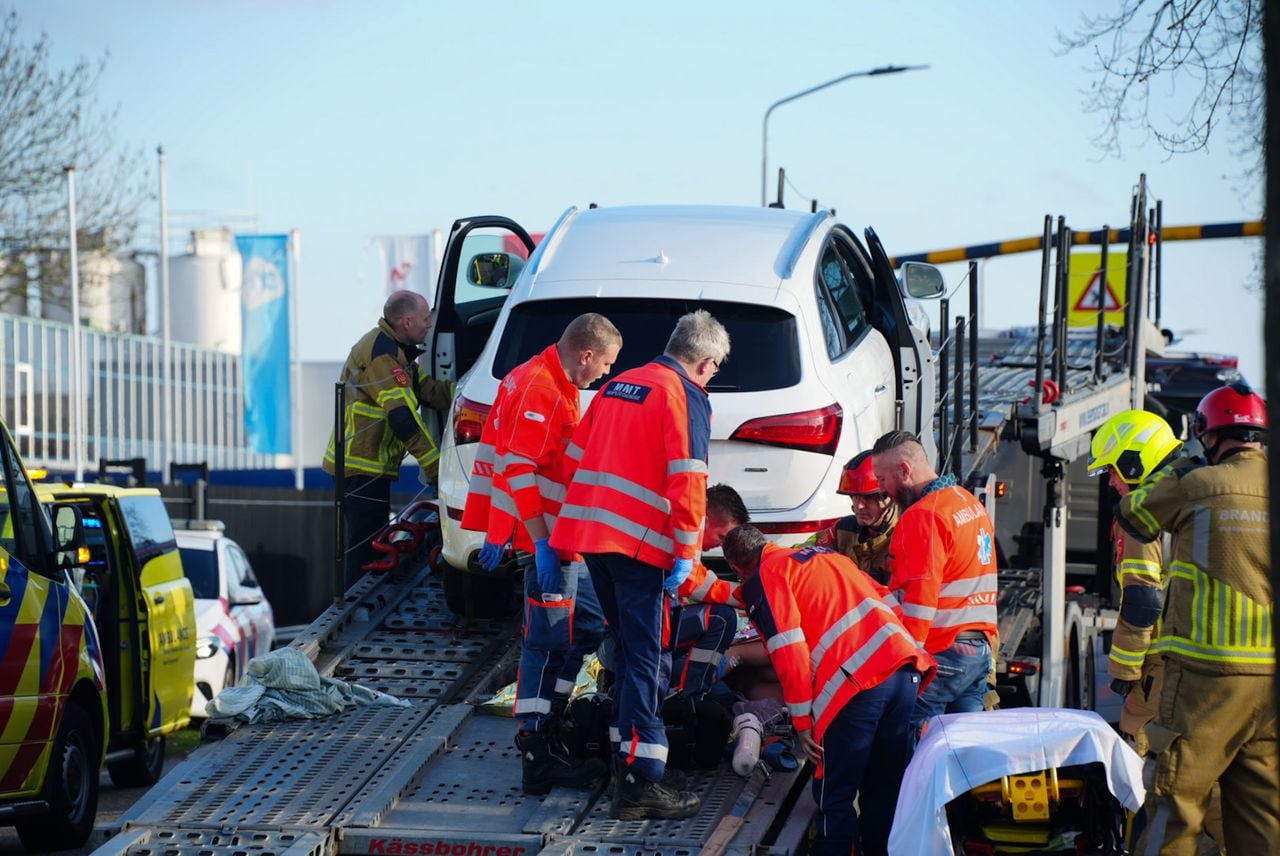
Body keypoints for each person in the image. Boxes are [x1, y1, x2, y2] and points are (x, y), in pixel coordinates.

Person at [551, 309, 730, 821]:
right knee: (647, 658)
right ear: (706, 362)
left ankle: (624, 762)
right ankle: (639, 781)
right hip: (638, 551)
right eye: (714, 371)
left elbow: (574, 458)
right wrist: (688, 555)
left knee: (629, 654)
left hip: (592, 539)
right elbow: (689, 479)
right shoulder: (686, 395)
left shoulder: (619, 385)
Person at [460, 313, 622, 795]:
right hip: (546, 539)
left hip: (557, 537)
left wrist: (504, 529)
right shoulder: (543, 387)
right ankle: (538, 746)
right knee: (547, 642)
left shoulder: (540, 379)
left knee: (588, 626)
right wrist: (539, 540)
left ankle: (549, 724)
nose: (606, 375)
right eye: (606, 364)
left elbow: (508, 459)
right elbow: (518, 467)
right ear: (587, 353)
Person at [1115, 383, 1276, 855]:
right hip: (1269, 681)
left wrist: (1182, 471)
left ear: (1208, 434)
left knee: (1176, 802)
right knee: (1261, 812)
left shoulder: (1197, 485)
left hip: (1206, 675)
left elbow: (1134, 515)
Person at [722, 524, 934, 856]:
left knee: (834, 794)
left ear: (737, 567)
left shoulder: (767, 578)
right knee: (883, 790)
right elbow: (889, 601)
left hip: (859, 687)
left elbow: (789, 653)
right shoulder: (826, 556)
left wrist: (802, 722)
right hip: (904, 669)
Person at [871, 430, 998, 735]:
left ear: (905, 470)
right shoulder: (968, 503)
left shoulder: (923, 516)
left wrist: (909, 659)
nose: (882, 490)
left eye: (882, 479)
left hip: (942, 651)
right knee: (961, 750)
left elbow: (921, 597)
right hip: (979, 650)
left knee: (907, 742)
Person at [323, 290, 452, 588]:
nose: (429, 326)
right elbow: (403, 418)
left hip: (368, 465)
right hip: (361, 467)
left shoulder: (396, 352)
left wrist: (468, 389)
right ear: (406, 322)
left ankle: (360, 598)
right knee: (364, 549)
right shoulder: (382, 356)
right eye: (424, 320)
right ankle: (354, 607)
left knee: (370, 541)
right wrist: (437, 470)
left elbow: (429, 391)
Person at [1085, 410, 1185, 753]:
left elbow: (1143, 599)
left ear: (1133, 463)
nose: (1112, 482)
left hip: (1162, 663)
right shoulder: (1192, 492)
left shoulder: (1145, 509)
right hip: (1208, 657)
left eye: (1112, 470)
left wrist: (1125, 671)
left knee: (1139, 745)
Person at [665, 483, 749, 697]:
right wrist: (752, 596)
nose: (722, 546)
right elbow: (698, 585)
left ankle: (693, 693)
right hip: (641, 631)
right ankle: (692, 696)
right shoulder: (684, 534)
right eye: (722, 537)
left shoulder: (679, 527)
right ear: (707, 520)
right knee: (722, 618)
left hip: (637, 627)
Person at [813, 450, 899, 584]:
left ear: (889, 498)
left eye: (868, 498)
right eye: (854, 497)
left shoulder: (904, 537)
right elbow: (805, 552)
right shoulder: (842, 529)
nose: (859, 507)